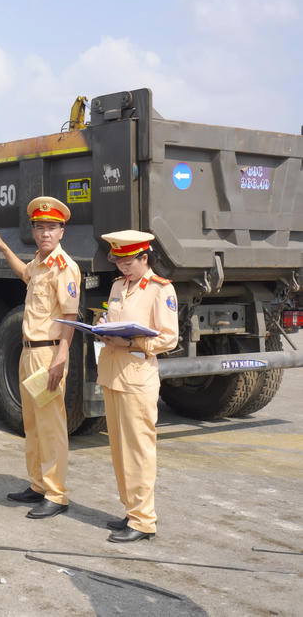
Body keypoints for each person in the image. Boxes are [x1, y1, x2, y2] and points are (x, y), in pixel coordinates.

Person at [0, 196, 80, 519]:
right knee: (33, 425)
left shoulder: (65, 268)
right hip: (28, 353)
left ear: (62, 231)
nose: (45, 234)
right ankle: (38, 485)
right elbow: (24, 273)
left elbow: (70, 315)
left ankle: (56, 494)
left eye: (51, 228)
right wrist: (4, 247)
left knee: (51, 426)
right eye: (39, 228)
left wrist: (61, 355)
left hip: (48, 353)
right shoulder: (40, 263)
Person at [96, 230, 178, 543]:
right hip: (112, 374)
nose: (123, 268)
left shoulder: (160, 290)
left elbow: (169, 337)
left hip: (138, 377)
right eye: (119, 262)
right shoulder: (119, 285)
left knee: (139, 449)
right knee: (118, 449)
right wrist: (103, 327)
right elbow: (113, 315)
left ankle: (144, 521)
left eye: (129, 262)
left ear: (145, 257)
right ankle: (132, 510)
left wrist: (130, 340)